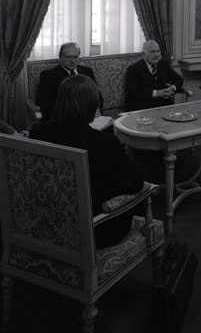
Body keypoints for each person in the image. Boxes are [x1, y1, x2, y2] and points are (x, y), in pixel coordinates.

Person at [30, 75, 144, 247]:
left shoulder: (38, 133)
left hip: (46, 224)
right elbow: (135, 183)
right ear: (92, 104)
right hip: (95, 231)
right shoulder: (104, 143)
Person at [36, 42, 101, 122]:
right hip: (65, 120)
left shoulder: (87, 71)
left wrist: (96, 109)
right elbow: (44, 102)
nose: (73, 61)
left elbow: (97, 95)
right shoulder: (48, 75)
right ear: (60, 57)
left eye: (76, 57)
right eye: (68, 57)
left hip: (90, 118)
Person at [125, 40, 183, 111]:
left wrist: (172, 88)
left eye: (158, 51)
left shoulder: (162, 64)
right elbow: (133, 92)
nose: (156, 55)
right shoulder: (133, 69)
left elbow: (179, 79)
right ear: (143, 54)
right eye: (152, 52)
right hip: (142, 107)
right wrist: (157, 93)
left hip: (163, 105)